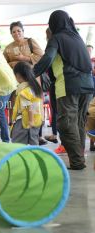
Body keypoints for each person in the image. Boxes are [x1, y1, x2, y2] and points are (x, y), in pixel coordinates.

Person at [33, 10, 94, 170]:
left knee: (65, 124)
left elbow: (48, 57)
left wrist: (31, 74)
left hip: (69, 85)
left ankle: (77, 161)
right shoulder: (77, 38)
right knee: (78, 123)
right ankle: (78, 159)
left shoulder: (57, 38)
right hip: (87, 86)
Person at [11, 62, 43, 145]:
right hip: (36, 121)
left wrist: (30, 121)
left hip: (24, 122)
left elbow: (30, 106)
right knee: (34, 145)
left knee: (18, 146)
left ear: (18, 76)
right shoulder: (35, 88)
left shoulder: (23, 91)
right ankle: (34, 158)